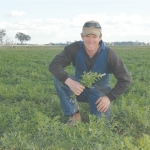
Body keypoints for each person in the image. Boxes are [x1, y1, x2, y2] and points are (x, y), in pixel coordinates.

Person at [49, 20, 131, 126]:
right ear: (82, 36)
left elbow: (125, 79)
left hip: (100, 94)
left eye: (94, 36)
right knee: (59, 79)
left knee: (101, 126)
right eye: (87, 36)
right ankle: (74, 114)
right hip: (79, 89)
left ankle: (98, 111)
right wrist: (70, 82)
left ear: (100, 37)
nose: (90, 40)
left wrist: (109, 97)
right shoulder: (74, 48)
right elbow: (54, 65)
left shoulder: (109, 54)